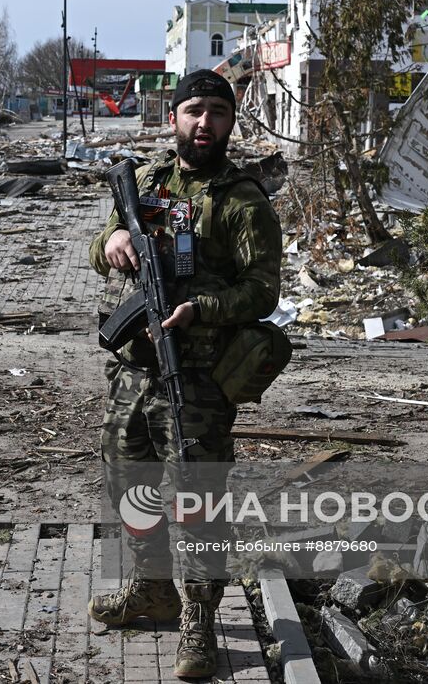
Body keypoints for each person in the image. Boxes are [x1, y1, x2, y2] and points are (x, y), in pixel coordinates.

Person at [86, 69, 283, 679]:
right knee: (129, 484)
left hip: (196, 376)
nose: (205, 123)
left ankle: (198, 620)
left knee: (196, 501)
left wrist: (202, 308)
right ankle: (151, 589)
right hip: (134, 374)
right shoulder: (143, 184)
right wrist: (114, 239)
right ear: (173, 118)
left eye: (218, 113)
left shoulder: (243, 199)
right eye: (193, 110)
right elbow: (98, 251)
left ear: (231, 121)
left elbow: (263, 291)